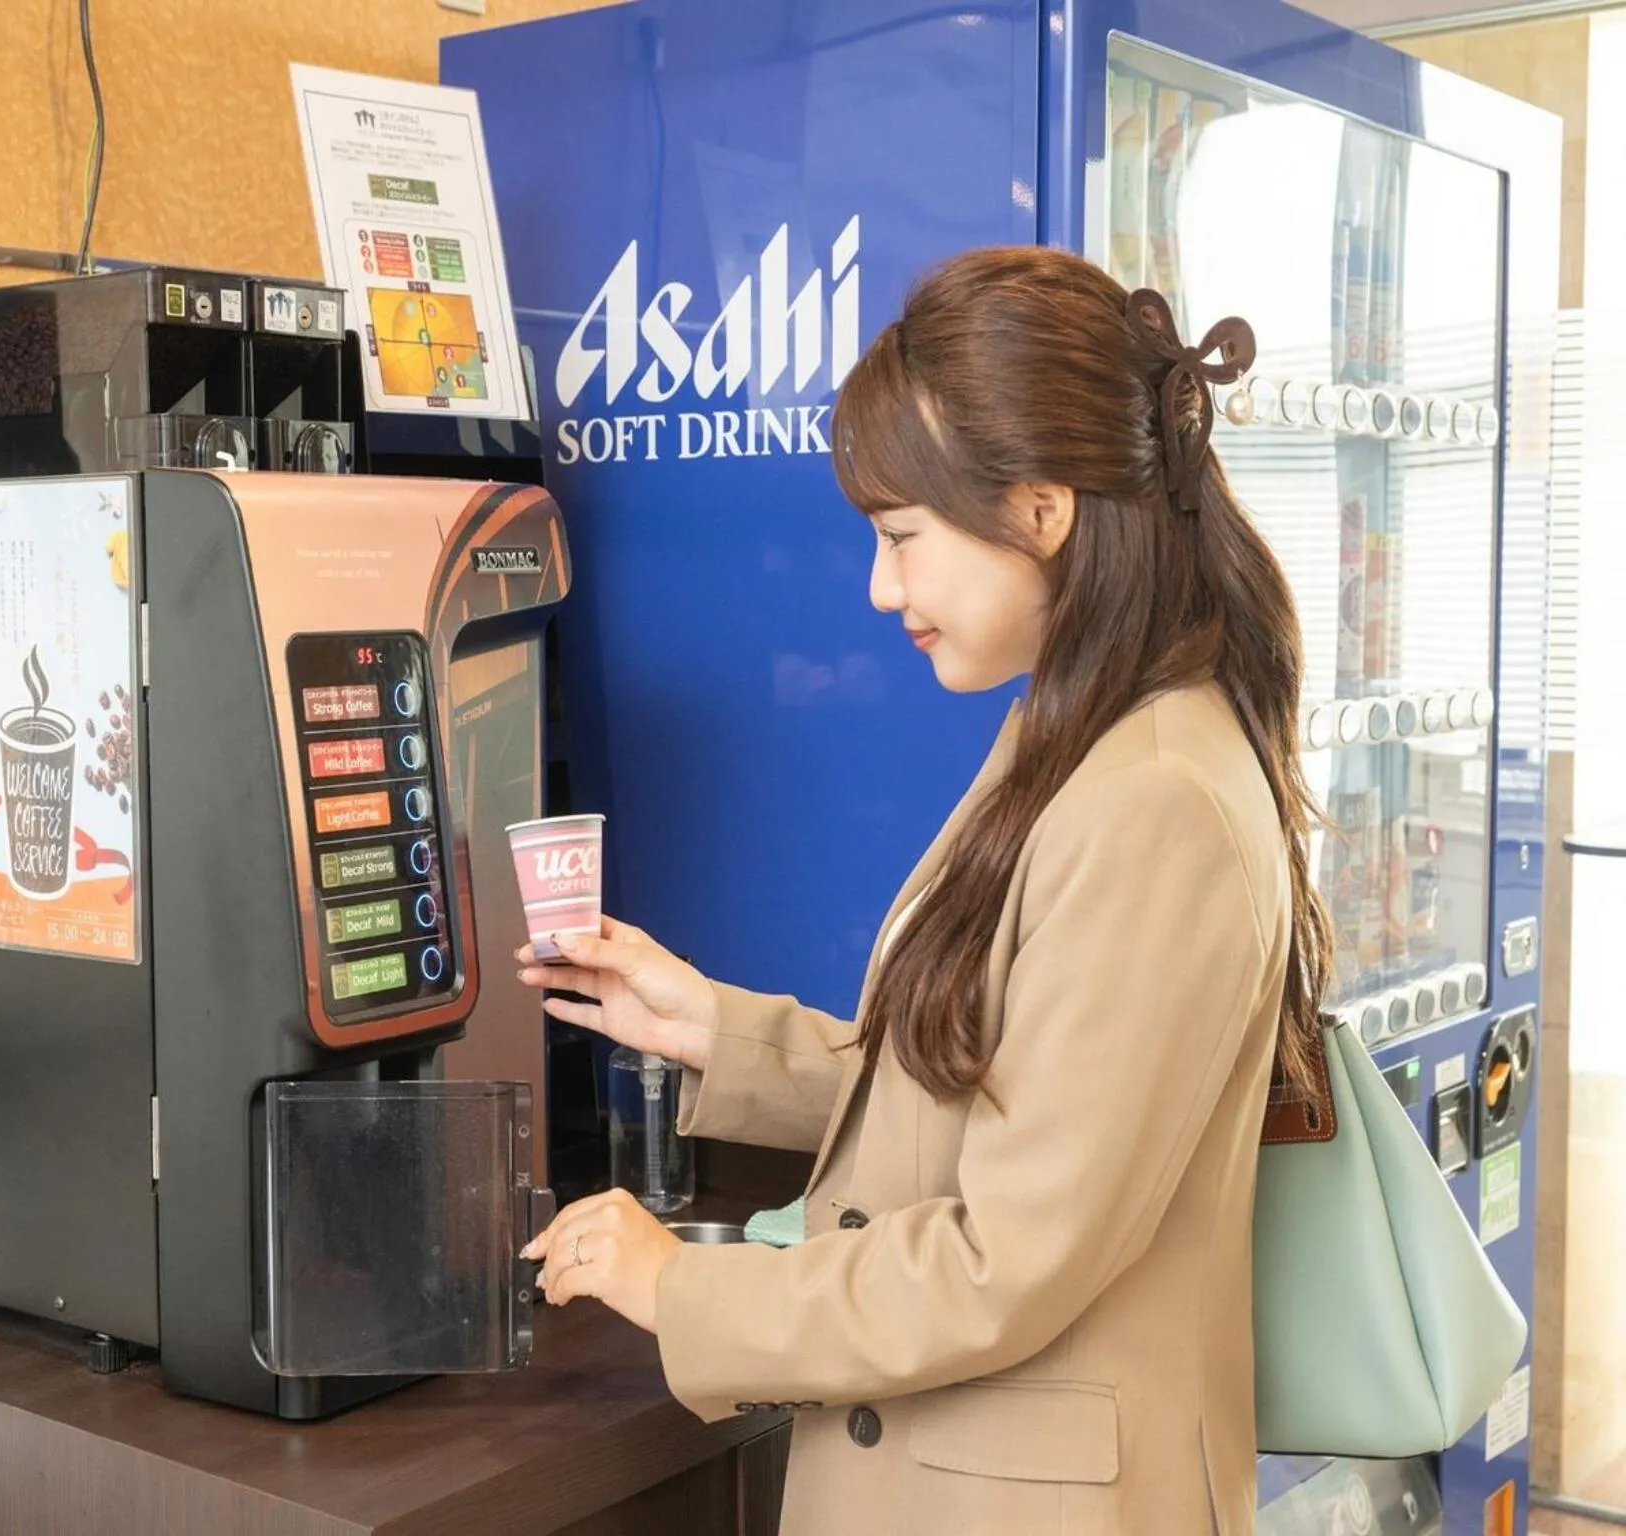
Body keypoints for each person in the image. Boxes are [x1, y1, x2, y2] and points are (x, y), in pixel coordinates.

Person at [516, 245, 1334, 1534]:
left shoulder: (1153, 799)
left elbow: (1004, 1258)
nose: (880, 585)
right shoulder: (1082, 734)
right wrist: (711, 1031)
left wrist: (683, 1287)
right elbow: (1003, 1103)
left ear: (1042, 507)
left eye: (901, 536)